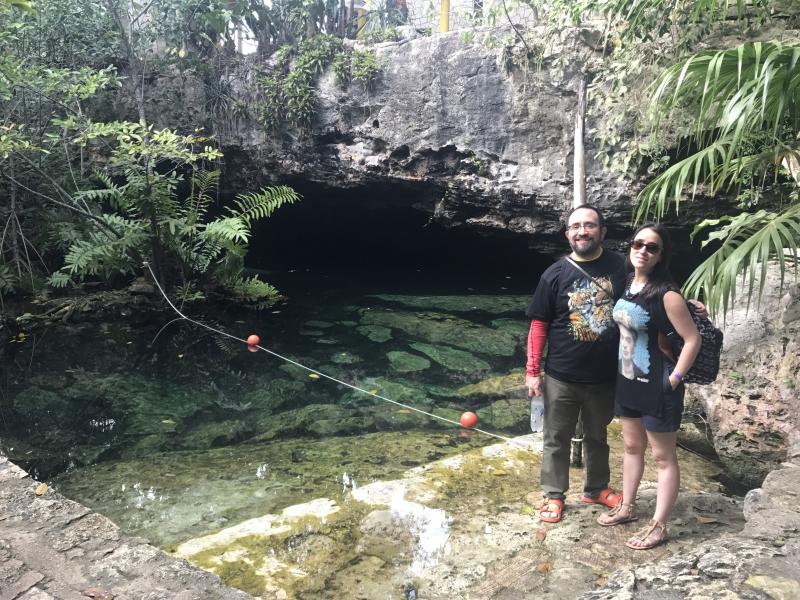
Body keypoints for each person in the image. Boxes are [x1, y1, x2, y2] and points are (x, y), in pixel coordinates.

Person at [596, 223, 701, 550]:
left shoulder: (667, 294)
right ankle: (626, 507)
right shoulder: (628, 283)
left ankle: (659, 526)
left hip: (658, 383)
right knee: (631, 447)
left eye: (651, 247)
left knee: (663, 456)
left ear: (661, 255)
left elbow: (692, 339)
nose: (642, 250)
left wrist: (674, 379)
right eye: (637, 243)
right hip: (628, 380)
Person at [525, 205, 627, 523]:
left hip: (604, 376)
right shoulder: (554, 274)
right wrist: (532, 371)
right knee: (555, 438)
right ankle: (554, 494)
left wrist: (686, 305)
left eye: (589, 225)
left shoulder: (621, 266)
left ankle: (597, 488)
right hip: (561, 375)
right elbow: (539, 325)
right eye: (576, 227)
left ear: (602, 231)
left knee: (598, 436)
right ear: (567, 234)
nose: (583, 231)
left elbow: (650, 294)